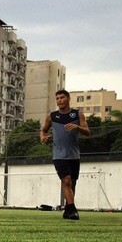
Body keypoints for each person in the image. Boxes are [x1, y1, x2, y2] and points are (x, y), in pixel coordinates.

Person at [39, 89, 91, 220]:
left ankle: (68, 209)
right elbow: (43, 130)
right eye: (57, 98)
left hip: (74, 155)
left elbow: (87, 131)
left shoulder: (77, 114)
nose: (59, 100)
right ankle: (73, 210)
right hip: (59, 155)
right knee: (66, 180)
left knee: (72, 183)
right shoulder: (52, 116)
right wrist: (43, 137)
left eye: (62, 98)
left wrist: (77, 127)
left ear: (68, 99)